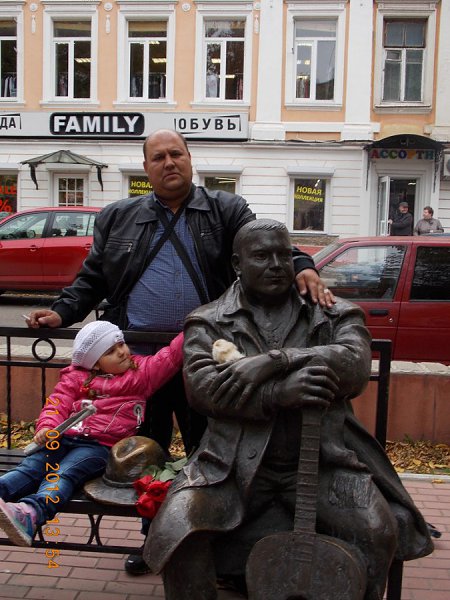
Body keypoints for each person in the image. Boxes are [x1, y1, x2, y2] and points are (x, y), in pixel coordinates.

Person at [26, 128, 334, 573]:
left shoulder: (225, 210)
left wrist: (303, 266)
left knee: (210, 453)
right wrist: (60, 312)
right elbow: (92, 279)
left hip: (206, 357)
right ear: (146, 168)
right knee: (143, 455)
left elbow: (263, 243)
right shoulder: (118, 217)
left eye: (176, 154)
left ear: (190, 160)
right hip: (137, 363)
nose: (169, 163)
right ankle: (154, 542)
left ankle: (212, 547)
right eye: (158, 157)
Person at [144, 219, 433, 600]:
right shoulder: (210, 321)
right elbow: (203, 390)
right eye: (262, 256)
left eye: (283, 255)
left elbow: (355, 365)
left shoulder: (331, 312)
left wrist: (276, 360)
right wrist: (278, 394)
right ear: (237, 263)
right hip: (230, 468)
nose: (276, 265)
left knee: (376, 530)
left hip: (323, 463)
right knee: (178, 528)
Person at [0, 320, 182, 547]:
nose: (121, 352)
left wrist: (194, 326)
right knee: (30, 467)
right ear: (95, 364)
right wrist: (46, 427)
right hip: (63, 437)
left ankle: (31, 513)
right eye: (111, 351)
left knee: (64, 473)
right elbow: (57, 403)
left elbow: (170, 356)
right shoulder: (76, 377)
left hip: (99, 447)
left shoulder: (140, 374)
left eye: (121, 344)